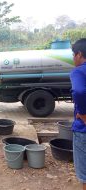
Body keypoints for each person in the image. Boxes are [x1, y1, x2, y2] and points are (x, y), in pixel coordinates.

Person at [70, 38, 86, 190]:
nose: (73, 59)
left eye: (73, 55)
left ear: (79, 54)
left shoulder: (79, 71)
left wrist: (83, 114)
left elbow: (79, 91)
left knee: (85, 175)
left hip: (83, 130)